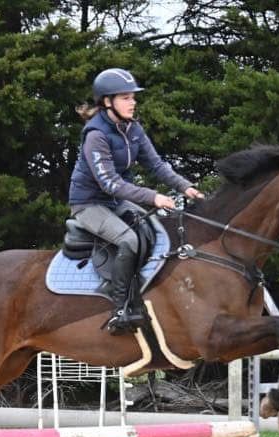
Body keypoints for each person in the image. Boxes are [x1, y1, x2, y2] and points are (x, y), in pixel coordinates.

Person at [68, 67, 205, 335]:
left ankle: (142, 295)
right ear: (107, 102)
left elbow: (157, 165)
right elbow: (110, 183)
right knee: (128, 240)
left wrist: (185, 187)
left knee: (156, 229)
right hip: (89, 204)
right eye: (125, 97)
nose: (133, 102)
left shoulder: (133, 129)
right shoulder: (95, 136)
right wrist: (153, 196)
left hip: (115, 201)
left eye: (133, 97)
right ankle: (119, 308)